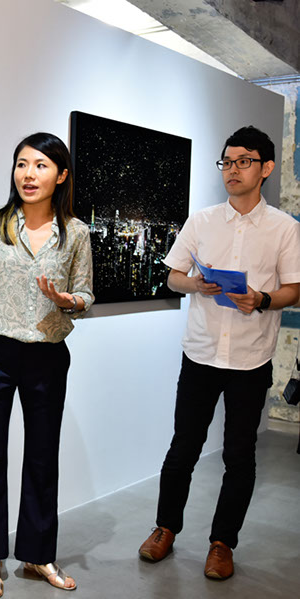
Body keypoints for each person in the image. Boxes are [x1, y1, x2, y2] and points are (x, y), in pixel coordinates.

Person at [138, 126, 300, 580]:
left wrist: (262, 299)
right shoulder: (202, 220)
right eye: (227, 162)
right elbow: (173, 276)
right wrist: (195, 283)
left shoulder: (284, 228)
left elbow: (294, 289)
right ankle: (165, 528)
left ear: (266, 168)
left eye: (243, 161)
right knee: (182, 448)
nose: (232, 170)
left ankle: (222, 543)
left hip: (251, 359)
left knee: (239, 455)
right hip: (201, 353)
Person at [0, 132, 94, 597]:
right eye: (22, 164)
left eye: (41, 165)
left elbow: (85, 294)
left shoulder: (76, 233)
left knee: (43, 455)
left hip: (47, 354)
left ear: (61, 176)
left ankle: (38, 553)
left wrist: (68, 300)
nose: (29, 174)